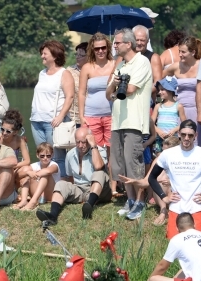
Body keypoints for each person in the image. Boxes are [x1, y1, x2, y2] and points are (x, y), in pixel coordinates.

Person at [126, 120, 201, 234]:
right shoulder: (168, 154)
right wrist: (164, 198)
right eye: (183, 134)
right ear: (179, 133)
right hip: (176, 209)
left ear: (196, 135)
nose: (186, 138)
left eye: (190, 135)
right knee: (175, 243)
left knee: (199, 243)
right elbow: (152, 178)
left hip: (198, 208)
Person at [106, 28, 153, 221]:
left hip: (134, 121)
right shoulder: (120, 65)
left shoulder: (142, 62)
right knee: (121, 164)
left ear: (128, 43)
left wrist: (117, 88)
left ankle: (140, 201)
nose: (114, 46)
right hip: (118, 122)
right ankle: (130, 199)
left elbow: (131, 89)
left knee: (133, 163)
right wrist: (114, 84)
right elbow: (108, 94)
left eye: (117, 43)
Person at [36, 127, 111, 224]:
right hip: (80, 189)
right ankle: (52, 216)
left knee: (99, 173)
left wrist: (93, 145)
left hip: (99, 191)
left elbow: (98, 166)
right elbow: (70, 177)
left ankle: (89, 205)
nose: (80, 145)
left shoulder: (99, 150)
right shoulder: (70, 154)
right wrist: (68, 190)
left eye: (83, 142)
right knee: (61, 184)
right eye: (77, 142)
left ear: (90, 139)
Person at [29, 40, 74, 182]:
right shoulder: (42, 73)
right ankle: (46, 186)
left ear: (54, 55)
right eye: (42, 53)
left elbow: (70, 97)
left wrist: (60, 117)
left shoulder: (64, 73)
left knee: (57, 157)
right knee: (43, 156)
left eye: (45, 53)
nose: (42, 56)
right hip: (36, 121)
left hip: (53, 122)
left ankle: (61, 186)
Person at [163, 37, 201, 146]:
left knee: (198, 142)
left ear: (193, 52)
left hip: (197, 109)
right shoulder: (176, 66)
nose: (180, 55)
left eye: (183, 52)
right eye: (179, 51)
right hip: (179, 110)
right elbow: (159, 79)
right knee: (180, 142)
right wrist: (167, 96)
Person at [78, 33, 114, 152]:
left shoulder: (115, 65)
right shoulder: (87, 67)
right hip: (91, 116)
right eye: (97, 48)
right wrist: (81, 116)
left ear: (108, 48)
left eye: (103, 47)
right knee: (93, 150)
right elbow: (81, 93)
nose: (100, 51)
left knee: (112, 150)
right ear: (92, 50)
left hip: (112, 115)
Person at [14, 142, 60, 211]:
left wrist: (30, 176)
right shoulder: (35, 165)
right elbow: (19, 174)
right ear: (37, 155)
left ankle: (33, 202)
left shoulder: (54, 165)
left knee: (45, 175)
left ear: (52, 155)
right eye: (42, 156)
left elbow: (48, 171)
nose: (45, 158)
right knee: (27, 172)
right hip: (37, 194)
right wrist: (28, 173)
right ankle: (24, 200)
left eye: (48, 156)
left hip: (50, 195)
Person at [151, 76, 185, 153]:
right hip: (160, 138)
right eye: (159, 90)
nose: (159, 92)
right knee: (159, 156)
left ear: (170, 90)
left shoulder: (178, 106)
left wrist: (174, 130)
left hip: (173, 139)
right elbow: (151, 122)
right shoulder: (158, 106)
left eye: (162, 89)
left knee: (173, 156)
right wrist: (158, 131)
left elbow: (184, 123)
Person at [133, 25, 163, 97]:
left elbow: (157, 82)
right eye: (137, 40)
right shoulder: (124, 57)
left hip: (145, 97)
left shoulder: (154, 58)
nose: (139, 43)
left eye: (142, 40)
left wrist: (140, 95)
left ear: (147, 41)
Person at [66, 43, 88, 125]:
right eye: (76, 54)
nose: (77, 57)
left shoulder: (95, 71)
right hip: (72, 117)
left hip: (91, 115)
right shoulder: (69, 71)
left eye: (81, 55)